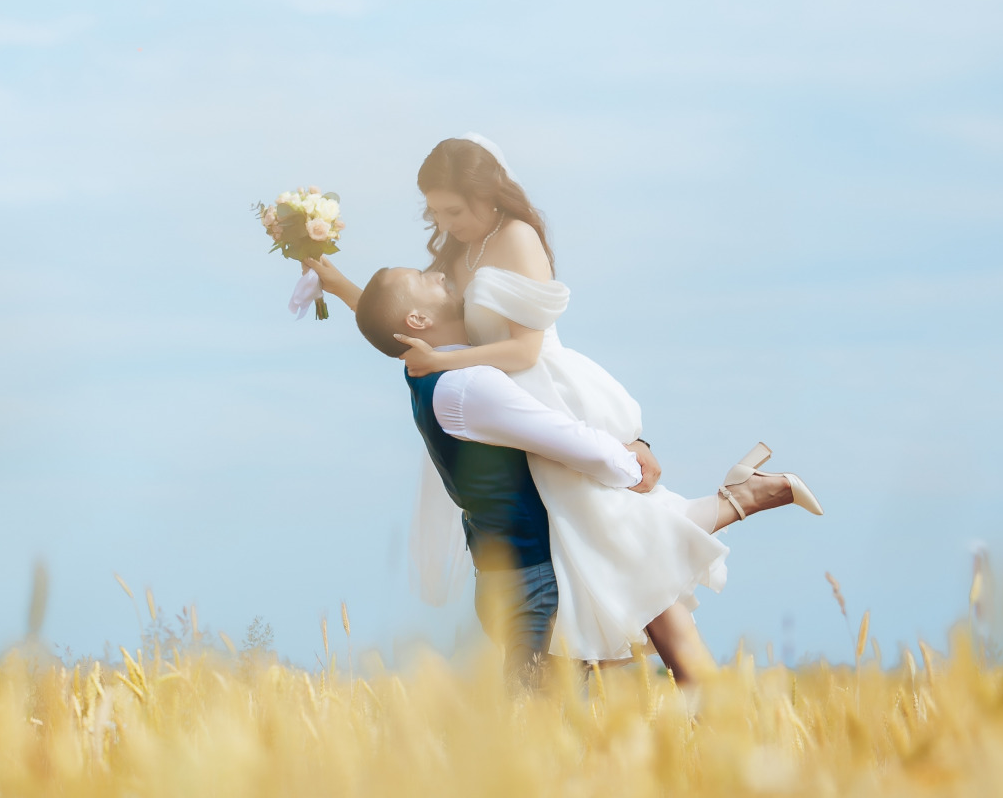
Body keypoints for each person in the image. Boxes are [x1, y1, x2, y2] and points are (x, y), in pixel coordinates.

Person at [308, 136, 823, 679]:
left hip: (545, 393)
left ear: (484, 194)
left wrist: (442, 364)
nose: (444, 222)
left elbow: (525, 348)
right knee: (612, 548)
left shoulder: (517, 238)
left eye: (452, 210)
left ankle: (742, 515)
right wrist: (341, 285)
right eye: (434, 212)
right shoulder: (459, 252)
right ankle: (737, 525)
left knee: (617, 537)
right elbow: (407, 311)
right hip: (506, 410)